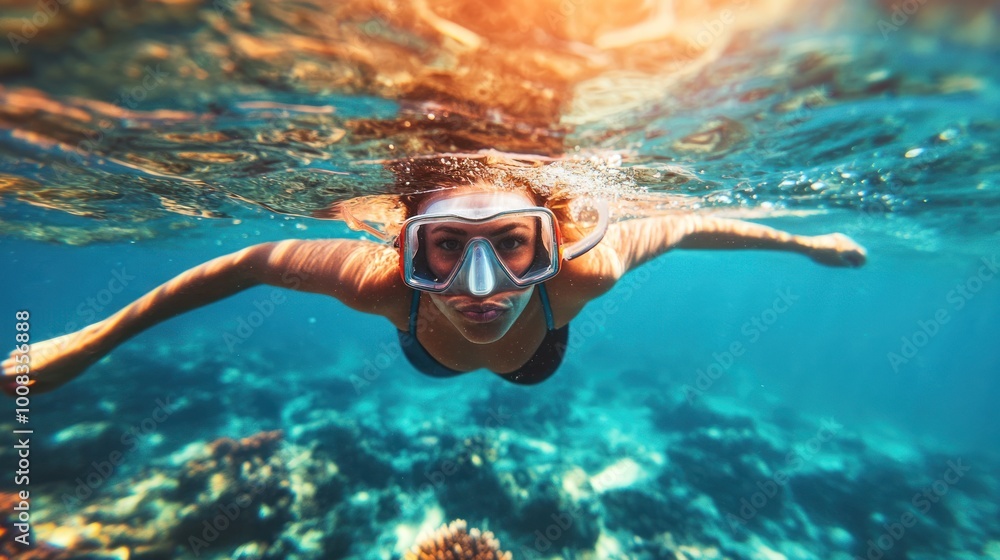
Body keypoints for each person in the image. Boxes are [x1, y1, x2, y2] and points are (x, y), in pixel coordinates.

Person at [2, 183, 866, 394]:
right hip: (431, 353)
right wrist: (91, 340)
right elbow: (247, 262)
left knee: (517, 361)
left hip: (537, 359)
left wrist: (806, 243)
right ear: (402, 248)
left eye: (512, 245)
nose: (481, 287)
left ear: (553, 242)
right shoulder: (386, 287)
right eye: (445, 248)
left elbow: (693, 224)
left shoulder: (584, 271)